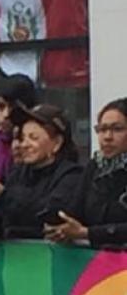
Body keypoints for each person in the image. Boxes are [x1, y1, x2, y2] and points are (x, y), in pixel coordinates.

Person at [0, 103, 83, 240]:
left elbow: (49, 214)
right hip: (11, 256)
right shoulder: (16, 174)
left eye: (34, 138)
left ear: (57, 143)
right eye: (22, 138)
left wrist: (3, 197)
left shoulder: (72, 176)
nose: (24, 145)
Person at [45, 98, 127, 248]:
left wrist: (87, 233)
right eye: (102, 129)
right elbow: (75, 210)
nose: (107, 137)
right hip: (99, 263)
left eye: (117, 129)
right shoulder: (95, 166)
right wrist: (62, 227)